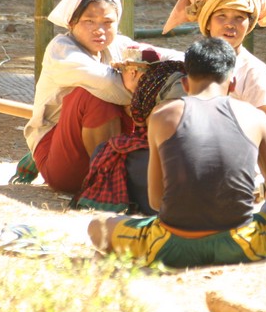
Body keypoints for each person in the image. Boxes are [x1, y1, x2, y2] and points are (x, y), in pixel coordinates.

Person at [88, 37, 266, 268]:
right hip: (239, 245)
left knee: (97, 226)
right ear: (232, 83)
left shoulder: (162, 116)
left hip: (170, 246)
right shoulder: (256, 117)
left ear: (185, 83)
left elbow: (156, 201)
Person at [24, 0, 182, 194]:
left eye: (108, 22)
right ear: (72, 23)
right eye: (89, 21)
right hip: (58, 157)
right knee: (93, 95)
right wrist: (147, 88)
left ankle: (124, 175)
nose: (99, 30)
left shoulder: (119, 45)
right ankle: (106, 183)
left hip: (96, 147)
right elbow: (107, 84)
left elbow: (169, 56)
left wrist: (200, 64)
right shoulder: (61, 50)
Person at [72, 56, 186, 215]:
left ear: (133, 73)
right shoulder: (180, 80)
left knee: (106, 151)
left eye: (121, 72)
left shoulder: (165, 103)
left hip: (176, 208)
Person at [162, 0, 266, 118]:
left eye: (239, 17)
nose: (230, 24)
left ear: (249, 24)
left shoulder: (255, 72)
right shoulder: (192, 61)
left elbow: (261, 123)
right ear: (208, 22)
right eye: (221, 16)